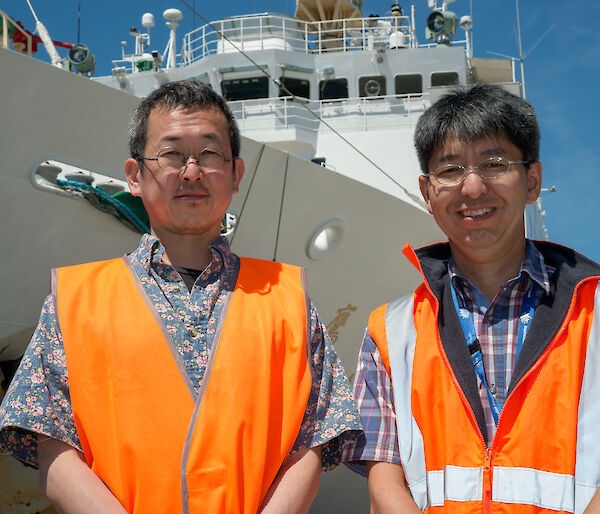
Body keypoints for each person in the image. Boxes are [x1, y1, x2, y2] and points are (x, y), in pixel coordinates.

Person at [0, 80, 362, 513]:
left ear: (235, 175)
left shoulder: (288, 299)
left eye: (210, 155)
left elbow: (314, 440)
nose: (191, 172)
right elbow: (51, 445)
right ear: (134, 176)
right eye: (172, 154)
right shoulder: (73, 299)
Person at [343, 83, 600, 513]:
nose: (473, 187)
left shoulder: (594, 313)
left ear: (532, 181)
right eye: (450, 170)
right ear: (427, 193)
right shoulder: (389, 331)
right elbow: (384, 483)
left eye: (494, 163)